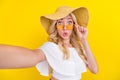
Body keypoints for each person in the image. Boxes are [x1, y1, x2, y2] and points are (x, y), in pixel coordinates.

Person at [0, 6, 98, 80]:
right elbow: (32, 56)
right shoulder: (51, 47)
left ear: (74, 26)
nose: (65, 27)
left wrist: (84, 40)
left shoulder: (79, 49)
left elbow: (94, 70)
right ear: (55, 26)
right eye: (60, 23)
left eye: (69, 22)